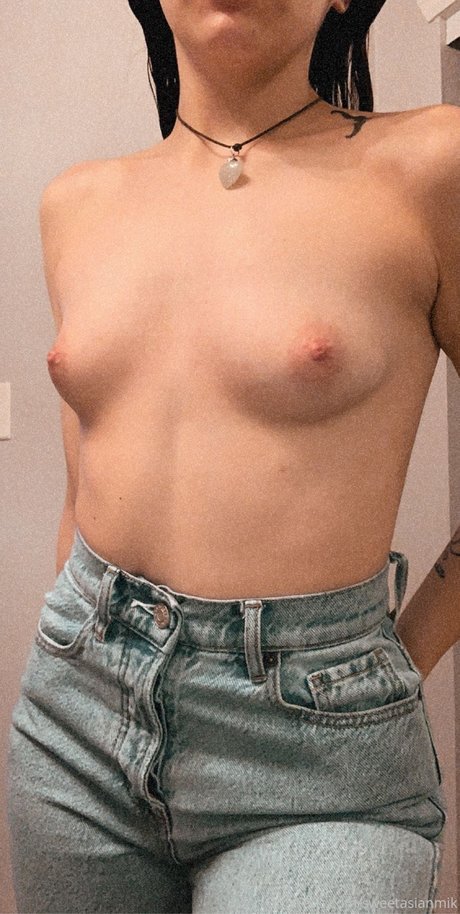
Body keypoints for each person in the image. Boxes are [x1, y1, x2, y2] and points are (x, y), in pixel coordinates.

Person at [6, 1, 460, 911]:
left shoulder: (433, 166)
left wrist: (391, 663)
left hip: (319, 750)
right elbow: (85, 470)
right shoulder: (75, 203)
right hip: (74, 722)